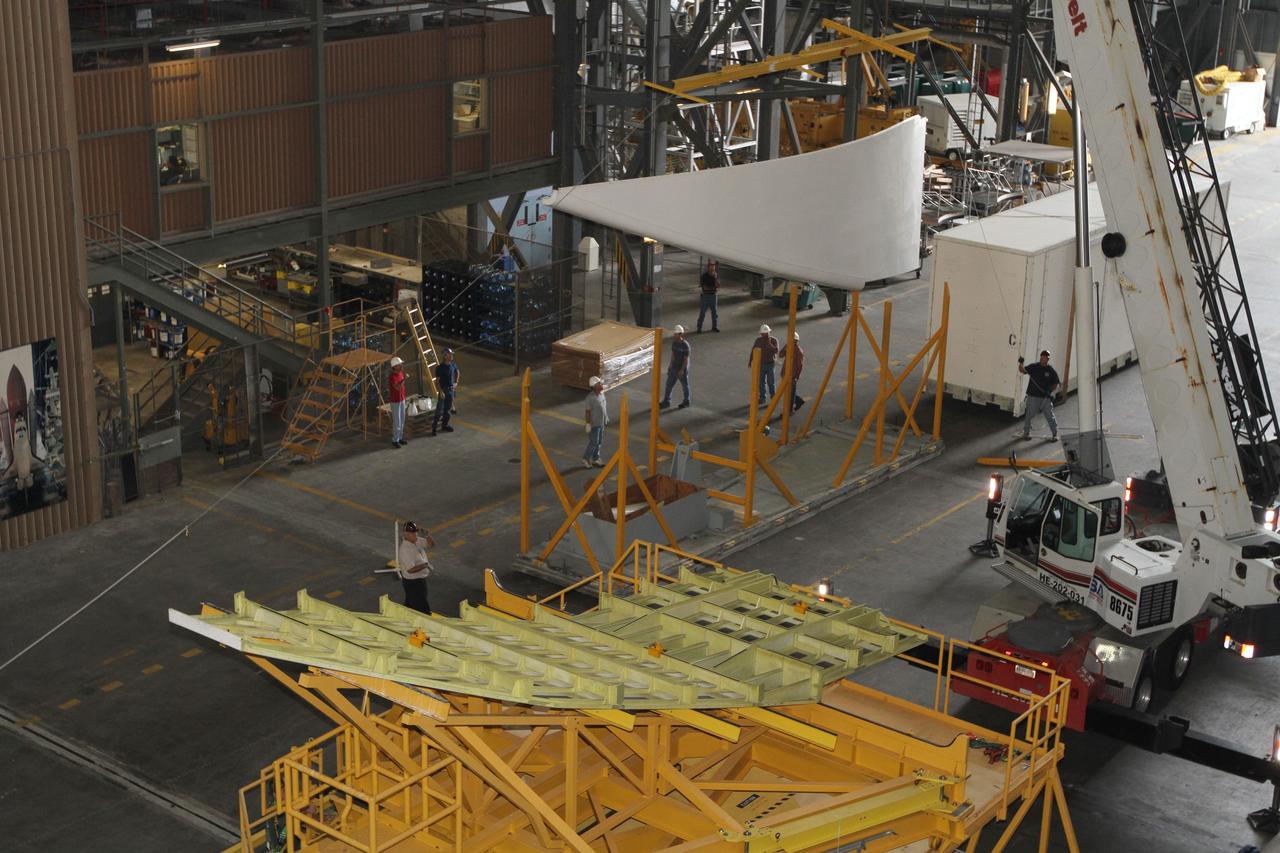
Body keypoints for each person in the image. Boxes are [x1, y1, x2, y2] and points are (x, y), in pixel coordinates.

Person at [1018, 349, 1060, 441]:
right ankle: (1026, 433)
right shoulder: (1034, 367)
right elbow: (1022, 370)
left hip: (1045, 398)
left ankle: (1055, 434)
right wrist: (1021, 363)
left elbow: (1056, 383)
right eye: (1042, 356)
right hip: (1033, 397)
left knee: (1050, 415)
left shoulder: (1051, 370)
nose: (1043, 358)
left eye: (1045, 357)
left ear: (1048, 359)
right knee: (1029, 415)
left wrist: (1049, 391)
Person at [396, 521, 436, 614]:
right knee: (422, 607)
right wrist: (425, 565)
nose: (415, 535)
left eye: (416, 533)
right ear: (406, 534)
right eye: (413, 533)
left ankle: (404, 615)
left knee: (411, 603)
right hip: (413, 583)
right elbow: (410, 570)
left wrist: (427, 536)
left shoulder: (416, 540)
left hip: (419, 580)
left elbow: (431, 545)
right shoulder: (405, 550)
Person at [659, 325, 691, 409]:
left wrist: (682, 370)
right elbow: (673, 355)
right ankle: (667, 401)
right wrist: (670, 366)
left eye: (676, 334)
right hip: (674, 367)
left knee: (685, 385)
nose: (674, 335)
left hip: (682, 368)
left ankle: (686, 401)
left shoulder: (685, 346)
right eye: (674, 334)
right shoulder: (674, 343)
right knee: (669, 385)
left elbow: (686, 360)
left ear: (680, 334)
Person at [431, 349, 459, 436]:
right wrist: (440, 391)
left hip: (451, 390)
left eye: (451, 354)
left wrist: (456, 382)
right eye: (450, 354)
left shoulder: (453, 365)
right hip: (444, 391)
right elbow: (437, 381)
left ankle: (444, 425)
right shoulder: (440, 368)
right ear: (445, 356)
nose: (451, 356)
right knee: (439, 411)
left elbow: (457, 372)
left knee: (447, 410)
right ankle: (434, 428)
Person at [750, 324, 779, 405]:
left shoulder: (774, 340)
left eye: (766, 333)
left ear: (769, 333)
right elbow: (753, 350)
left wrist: (768, 344)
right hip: (761, 364)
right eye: (763, 334)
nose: (764, 335)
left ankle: (773, 398)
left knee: (771, 382)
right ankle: (763, 398)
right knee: (761, 382)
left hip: (770, 365)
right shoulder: (758, 340)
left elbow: (776, 351)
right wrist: (750, 360)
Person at [583, 376, 608, 468]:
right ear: (594, 386)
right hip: (594, 424)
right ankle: (586, 458)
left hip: (601, 423)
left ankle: (595, 458)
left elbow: (603, 406)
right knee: (594, 442)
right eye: (599, 383)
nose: (601, 385)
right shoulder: (590, 398)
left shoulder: (601, 394)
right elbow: (588, 412)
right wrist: (588, 424)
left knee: (599, 441)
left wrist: (606, 417)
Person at [781, 331, 806, 413]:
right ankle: (798, 401)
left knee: (790, 394)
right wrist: (785, 349)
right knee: (787, 392)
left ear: (795, 341)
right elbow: (780, 355)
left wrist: (796, 377)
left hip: (792, 375)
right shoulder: (788, 347)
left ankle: (789, 411)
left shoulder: (799, 352)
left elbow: (800, 366)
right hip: (785, 373)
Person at [388, 356, 408, 447]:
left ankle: (400, 437)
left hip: (402, 400)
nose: (401, 366)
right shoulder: (392, 377)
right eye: (399, 365)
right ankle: (395, 440)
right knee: (397, 421)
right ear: (394, 366)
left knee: (402, 420)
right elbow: (397, 387)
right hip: (395, 401)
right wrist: (404, 380)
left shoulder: (401, 373)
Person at [697, 260, 720, 333]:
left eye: (714, 267)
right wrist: (714, 288)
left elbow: (718, 286)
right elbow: (705, 288)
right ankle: (699, 327)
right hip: (705, 297)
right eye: (711, 267)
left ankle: (714, 327)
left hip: (713, 296)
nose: (713, 268)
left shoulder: (716, 275)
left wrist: (715, 278)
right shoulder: (704, 276)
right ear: (708, 267)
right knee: (702, 313)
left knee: (714, 313)